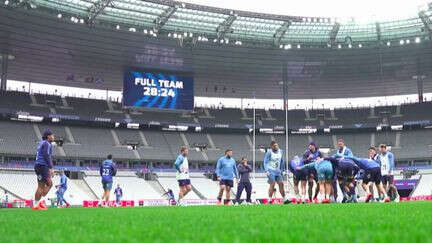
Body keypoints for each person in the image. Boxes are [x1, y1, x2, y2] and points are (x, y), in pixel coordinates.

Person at [33, 129, 55, 210]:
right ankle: (39, 203)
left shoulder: (41, 143)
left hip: (38, 165)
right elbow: (46, 156)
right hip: (42, 166)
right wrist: (51, 168)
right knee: (49, 184)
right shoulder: (47, 144)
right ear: (48, 136)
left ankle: (37, 204)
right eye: (52, 135)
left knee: (41, 186)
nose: (53, 137)